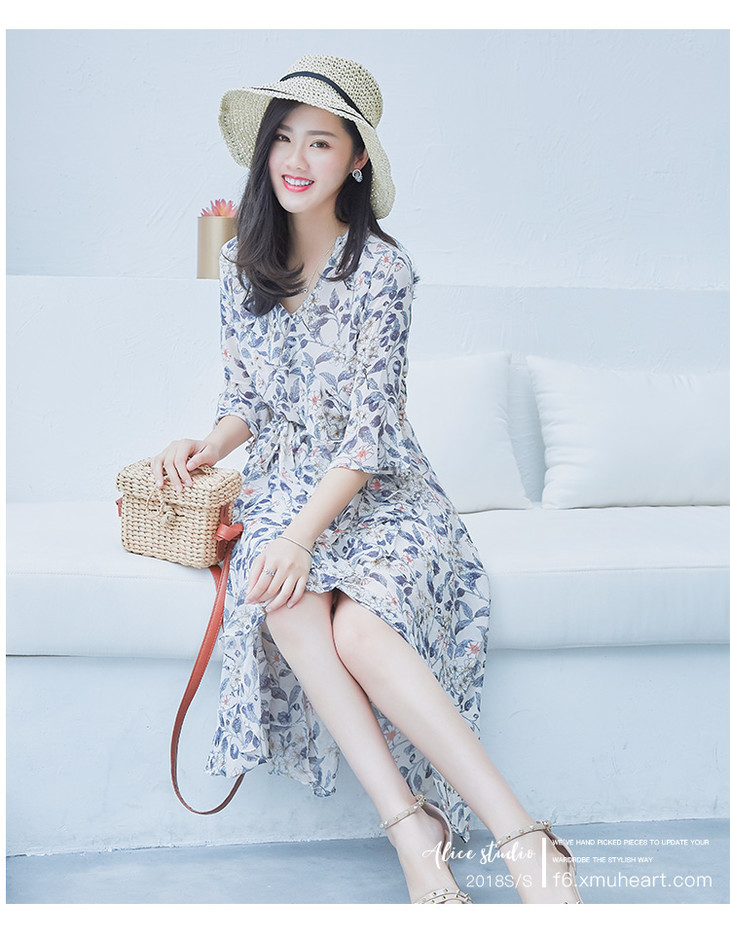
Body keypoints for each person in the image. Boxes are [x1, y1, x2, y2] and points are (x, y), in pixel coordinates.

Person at [152, 54, 583, 905]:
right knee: (282, 599)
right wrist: (207, 445)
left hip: (379, 492)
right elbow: (248, 399)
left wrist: (299, 538)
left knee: (354, 629)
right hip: (284, 486)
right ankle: (413, 832)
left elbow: (371, 428)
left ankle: (523, 839)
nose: (296, 160)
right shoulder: (240, 259)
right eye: (283, 139)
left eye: (320, 142)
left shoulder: (383, 270)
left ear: (356, 160)